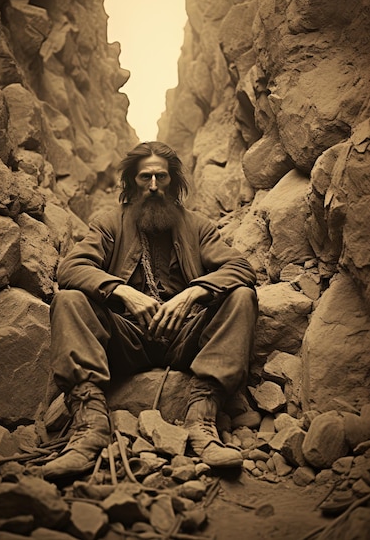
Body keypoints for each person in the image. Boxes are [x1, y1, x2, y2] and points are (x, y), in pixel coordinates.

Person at [43, 141, 258, 480]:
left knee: (242, 296)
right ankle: (90, 426)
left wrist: (193, 293)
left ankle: (202, 418)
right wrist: (121, 290)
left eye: (161, 177)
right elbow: (71, 268)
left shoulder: (198, 226)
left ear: (173, 181)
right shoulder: (108, 223)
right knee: (68, 299)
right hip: (126, 339)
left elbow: (242, 268)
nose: (154, 186)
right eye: (145, 178)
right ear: (132, 182)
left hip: (185, 338)